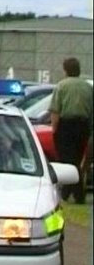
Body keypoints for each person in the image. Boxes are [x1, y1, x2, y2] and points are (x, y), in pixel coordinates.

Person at [48, 57, 93, 204]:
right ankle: (74, 193)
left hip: (66, 126)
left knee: (67, 160)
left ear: (65, 70)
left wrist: (55, 130)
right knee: (77, 158)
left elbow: (55, 111)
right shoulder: (87, 87)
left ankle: (70, 192)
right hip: (83, 126)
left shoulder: (61, 86)